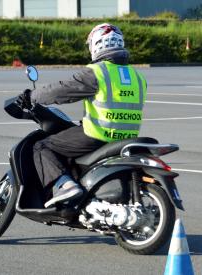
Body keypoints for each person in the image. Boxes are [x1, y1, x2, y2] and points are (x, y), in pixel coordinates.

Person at [16, 23, 147, 208]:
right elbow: (114, 106)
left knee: (42, 146)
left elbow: (62, 91)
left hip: (98, 135)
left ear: (96, 44)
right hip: (126, 138)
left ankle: (64, 185)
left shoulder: (98, 72)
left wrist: (32, 96)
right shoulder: (137, 76)